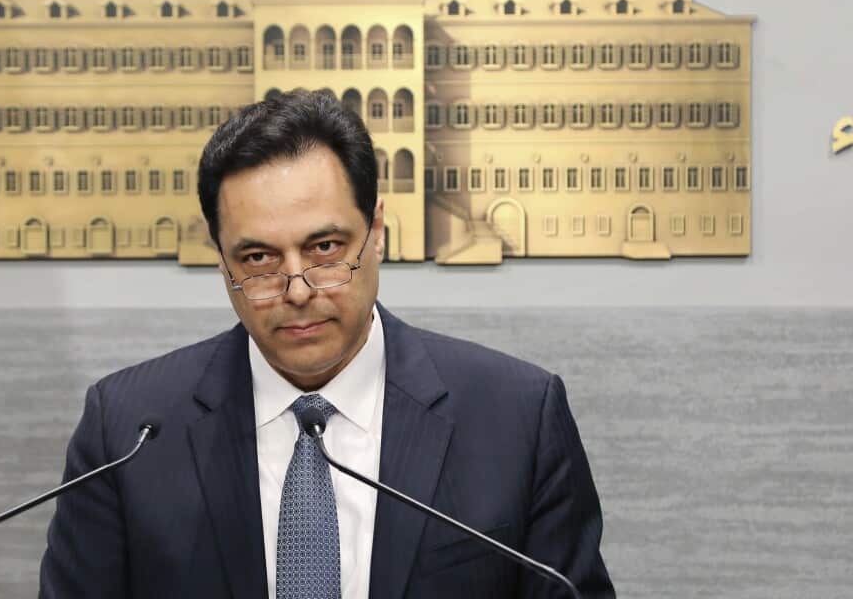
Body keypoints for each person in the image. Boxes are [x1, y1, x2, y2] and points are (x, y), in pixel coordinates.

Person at [39, 89, 614, 598]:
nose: (296, 290)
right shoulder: (129, 433)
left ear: (377, 233)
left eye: (325, 248)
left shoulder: (517, 419)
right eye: (258, 259)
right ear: (222, 263)